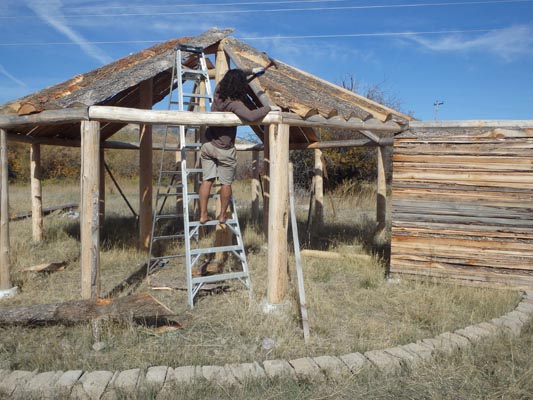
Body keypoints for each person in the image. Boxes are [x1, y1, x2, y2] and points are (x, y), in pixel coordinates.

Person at [199, 68, 271, 224]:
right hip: (224, 148)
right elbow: (251, 116)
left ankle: (203, 215)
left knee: (207, 180)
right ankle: (223, 216)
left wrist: (251, 71)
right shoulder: (235, 104)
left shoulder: (218, 91)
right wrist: (269, 107)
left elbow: (233, 74)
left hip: (208, 144)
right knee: (226, 183)